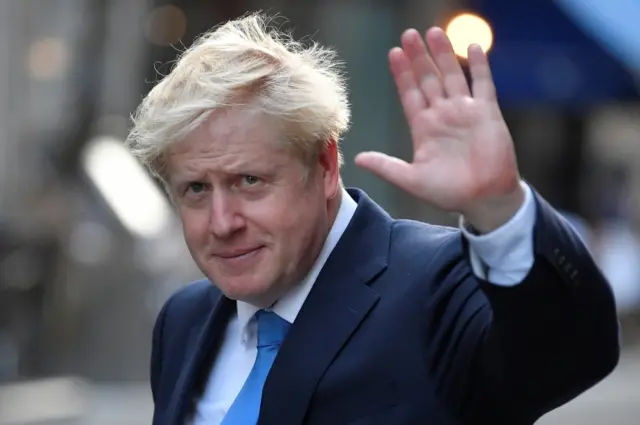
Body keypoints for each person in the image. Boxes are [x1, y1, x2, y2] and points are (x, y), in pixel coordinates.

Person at [125, 13, 619, 425]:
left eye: (249, 181)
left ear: (323, 166)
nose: (222, 221)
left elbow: (569, 354)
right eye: (195, 189)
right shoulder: (184, 321)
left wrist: (499, 208)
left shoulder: (439, 283)